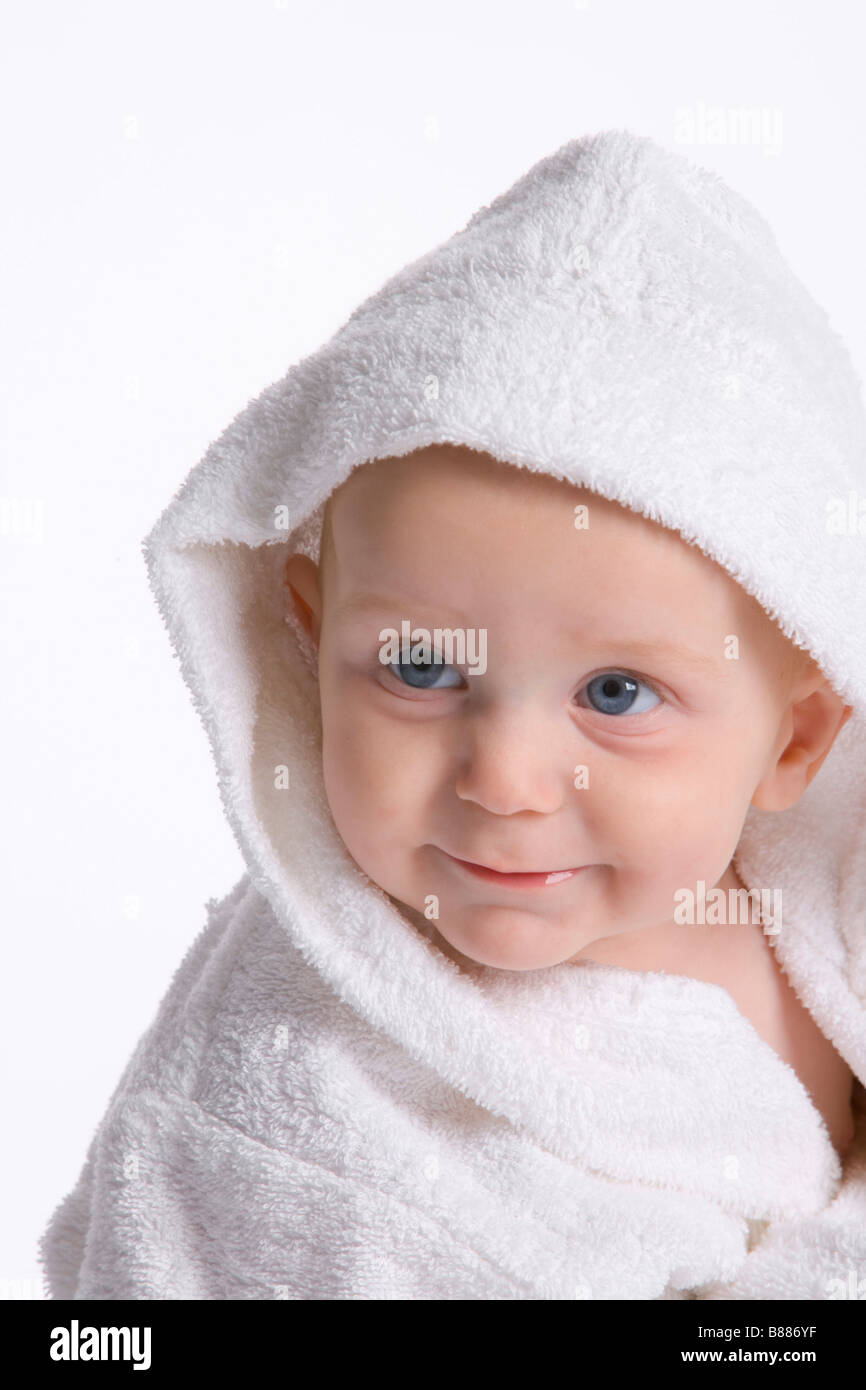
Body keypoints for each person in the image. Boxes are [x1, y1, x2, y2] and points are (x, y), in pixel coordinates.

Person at [39, 129, 866, 1300]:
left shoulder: (817, 910)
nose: (505, 779)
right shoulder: (296, 1116)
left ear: (792, 738)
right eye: (421, 668)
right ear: (309, 632)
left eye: (615, 694)